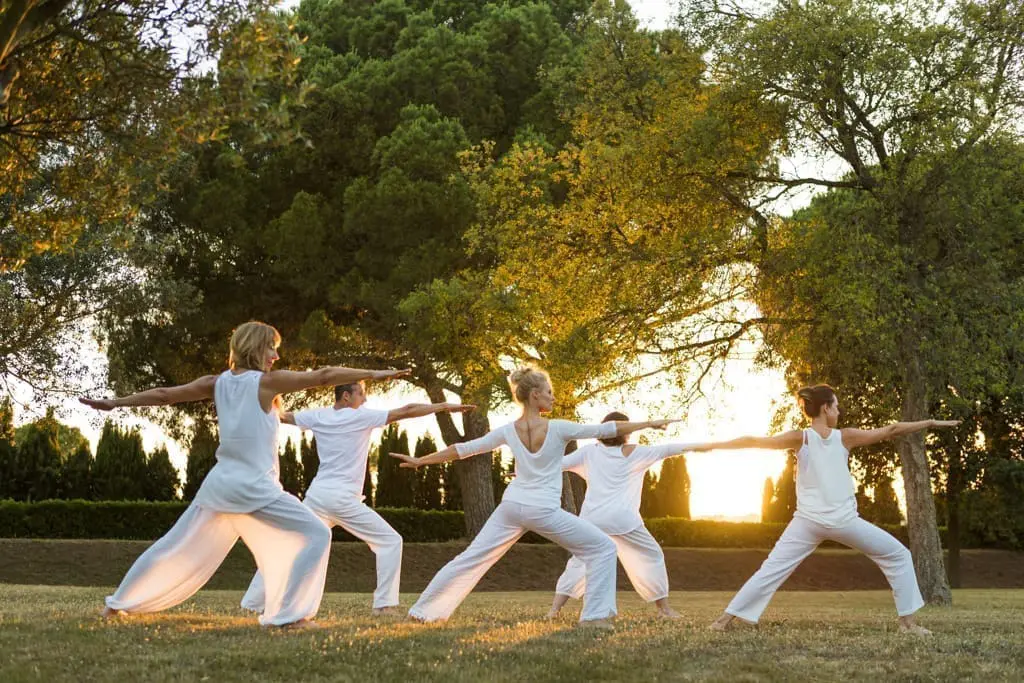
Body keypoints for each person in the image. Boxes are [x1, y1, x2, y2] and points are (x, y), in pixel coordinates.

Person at [80, 320, 409, 628]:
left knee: (172, 545)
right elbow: (323, 376)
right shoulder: (265, 383)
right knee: (317, 534)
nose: (276, 356)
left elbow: (166, 395)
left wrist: (117, 403)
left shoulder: (217, 383)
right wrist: (374, 372)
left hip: (221, 484)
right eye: (272, 348)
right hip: (254, 487)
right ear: (255, 347)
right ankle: (288, 617)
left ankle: (114, 605)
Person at [391, 366, 677, 628]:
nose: (553, 398)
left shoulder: (507, 430)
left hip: (512, 507)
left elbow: (464, 449)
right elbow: (607, 430)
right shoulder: (559, 428)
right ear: (535, 394)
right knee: (602, 548)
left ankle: (423, 611)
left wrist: (420, 461)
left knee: (472, 558)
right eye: (549, 393)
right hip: (542, 511)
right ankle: (595, 618)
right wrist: (649, 424)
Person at [697, 384, 958, 635]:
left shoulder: (800, 438)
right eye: (836, 406)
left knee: (771, 569)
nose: (838, 412)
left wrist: (711, 445)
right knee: (898, 555)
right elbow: (891, 429)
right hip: (842, 521)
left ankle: (722, 621)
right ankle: (908, 625)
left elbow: (753, 440)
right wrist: (931, 423)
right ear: (825, 408)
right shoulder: (844, 437)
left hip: (808, 522)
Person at [241, 380, 475, 616]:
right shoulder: (360, 417)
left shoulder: (318, 416)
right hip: (340, 498)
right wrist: (444, 406)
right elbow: (406, 411)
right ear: (345, 396)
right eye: (361, 394)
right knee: (390, 542)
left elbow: (282, 415)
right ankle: (384, 605)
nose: (364, 399)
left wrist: (255, 394)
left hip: (318, 495)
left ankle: (252, 603)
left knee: (289, 545)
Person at [547, 411, 702, 620]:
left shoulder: (588, 453)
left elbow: (555, 465)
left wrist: (523, 473)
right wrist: (702, 447)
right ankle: (664, 610)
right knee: (651, 556)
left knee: (580, 562)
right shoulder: (636, 452)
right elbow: (670, 449)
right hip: (623, 520)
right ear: (626, 432)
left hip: (593, 520)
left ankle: (554, 611)